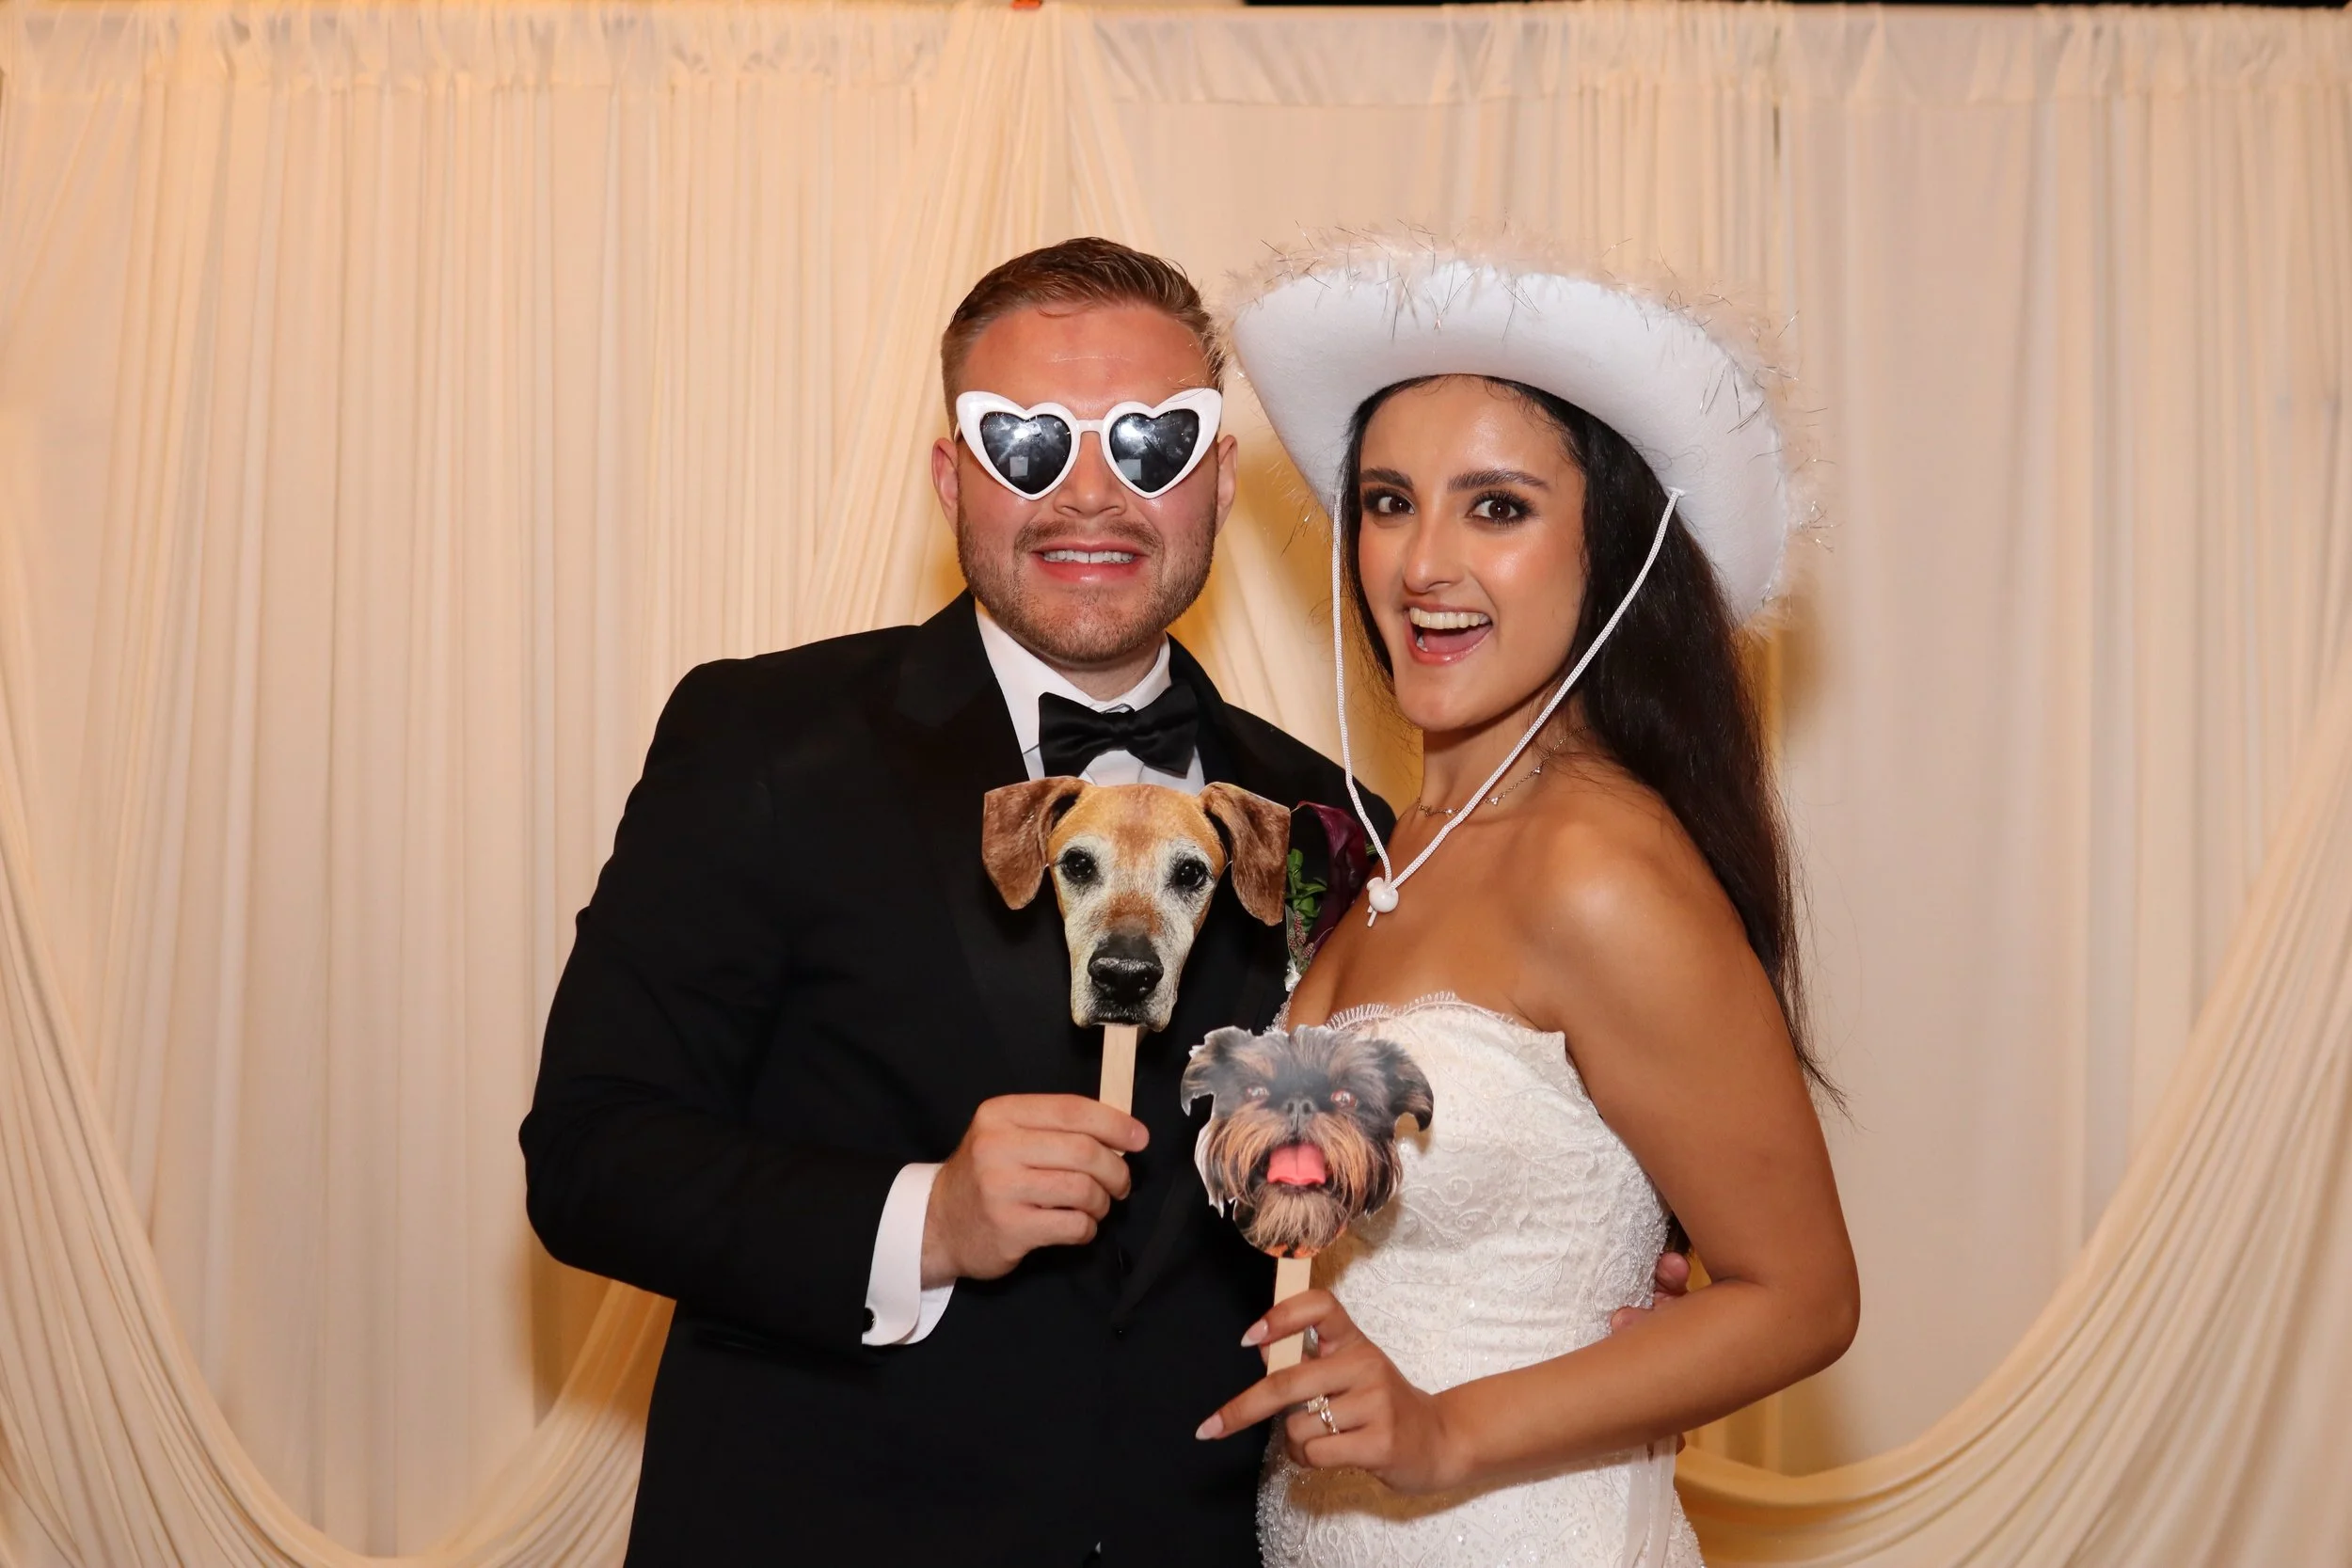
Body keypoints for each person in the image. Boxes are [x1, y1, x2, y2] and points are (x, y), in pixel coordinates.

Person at [1194, 236, 1861, 1566]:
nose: (1421, 561)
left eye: (1496, 507)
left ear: (1607, 546)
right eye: (1388, 501)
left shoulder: (1597, 864)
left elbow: (1804, 1297)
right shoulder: (1399, 850)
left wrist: (1446, 1429)